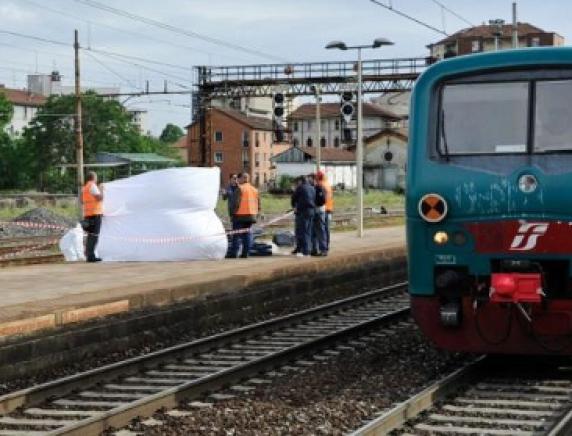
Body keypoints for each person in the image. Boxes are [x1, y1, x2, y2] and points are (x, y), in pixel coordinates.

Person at [231, 173, 260, 258]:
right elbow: (259, 203)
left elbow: (235, 203)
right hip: (251, 216)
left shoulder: (240, 189)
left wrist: (232, 214)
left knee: (236, 235)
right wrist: (257, 213)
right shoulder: (254, 189)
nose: (237, 181)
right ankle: (245, 253)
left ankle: (234, 254)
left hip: (240, 215)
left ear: (241, 179)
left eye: (238, 179)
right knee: (247, 234)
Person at [82, 171, 104, 262]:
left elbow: (81, 201)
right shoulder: (92, 186)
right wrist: (101, 189)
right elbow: (100, 198)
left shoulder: (85, 187)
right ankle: (91, 256)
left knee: (90, 235)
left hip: (88, 214)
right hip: (95, 214)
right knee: (94, 236)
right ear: (93, 178)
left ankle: (89, 255)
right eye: (96, 177)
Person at [291, 175, 315, 257]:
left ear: (300, 181)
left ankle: (305, 251)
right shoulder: (312, 188)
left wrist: (294, 207)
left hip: (302, 211)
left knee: (302, 231)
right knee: (308, 231)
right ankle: (306, 248)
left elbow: (293, 198)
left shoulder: (300, 188)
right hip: (311, 211)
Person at [309, 173, 328, 257]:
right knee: (314, 231)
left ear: (315, 179)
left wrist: (313, 204)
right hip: (317, 211)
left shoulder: (318, 188)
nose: (309, 181)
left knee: (320, 231)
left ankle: (323, 250)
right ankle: (314, 249)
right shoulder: (319, 187)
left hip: (318, 211)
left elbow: (321, 200)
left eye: (310, 179)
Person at [222, 174, 239, 257]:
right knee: (235, 229)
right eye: (234, 178)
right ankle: (235, 250)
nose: (235, 180)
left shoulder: (240, 188)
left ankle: (237, 249)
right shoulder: (228, 188)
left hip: (241, 211)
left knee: (239, 230)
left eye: (236, 178)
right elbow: (224, 198)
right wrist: (224, 193)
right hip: (232, 212)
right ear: (230, 180)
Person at [316, 170, 333, 252]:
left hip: (324, 209)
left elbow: (323, 199)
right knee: (326, 229)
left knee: (322, 229)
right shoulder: (328, 184)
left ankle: (323, 247)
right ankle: (327, 245)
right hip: (329, 209)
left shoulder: (322, 185)